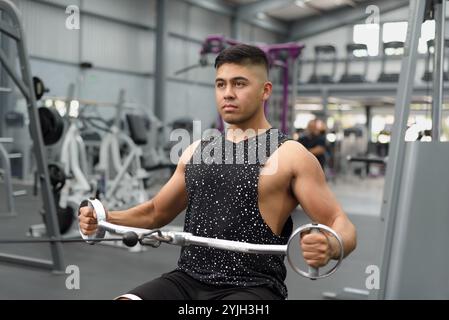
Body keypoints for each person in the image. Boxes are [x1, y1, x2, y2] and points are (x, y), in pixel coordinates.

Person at [79, 44, 357, 300]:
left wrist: (331, 245)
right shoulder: (196, 150)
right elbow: (155, 212)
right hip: (186, 280)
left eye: (240, 84)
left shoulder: (290, 154)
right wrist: (104, 219)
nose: (228, 93)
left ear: (265, 90)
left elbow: (339, 222)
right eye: (220, 84)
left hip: (253, 288)